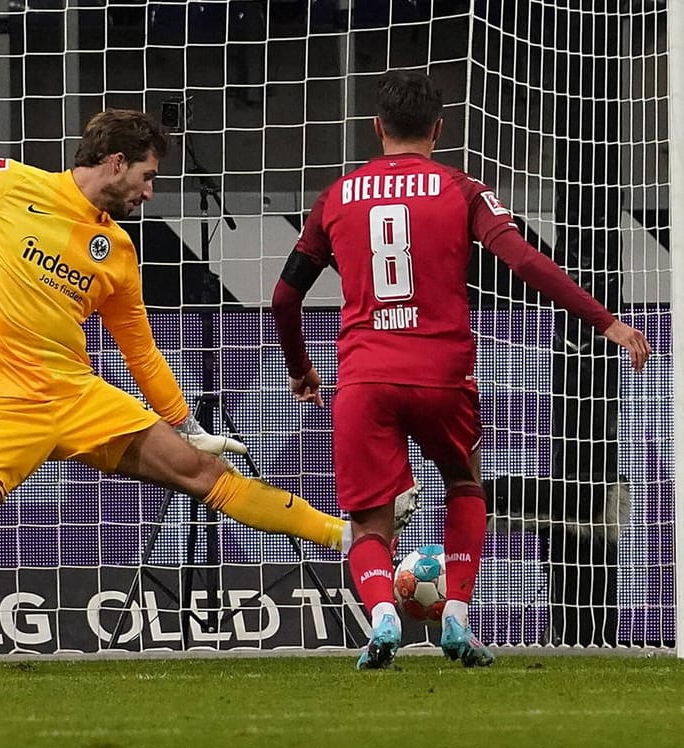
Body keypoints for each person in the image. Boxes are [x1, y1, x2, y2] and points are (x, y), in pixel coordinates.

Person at [0, 109, 402, 653]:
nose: (149, 191)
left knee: (204, 477)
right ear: (115, 162)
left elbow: (138, 349)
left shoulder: (118, 249)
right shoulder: (7, 182)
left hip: (78, 397)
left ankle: (346, 537)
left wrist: (187, 425)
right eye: (145, 175)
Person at [271, 70, 652, 671]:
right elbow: (526, 261)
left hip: (365, 377)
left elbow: (284, 300)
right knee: (464, 484)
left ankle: (383, 617)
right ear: (439, 129)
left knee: (368, 519)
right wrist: (606, 321)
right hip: (443, 375)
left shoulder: (337, 197)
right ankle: (455, 614)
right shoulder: (461, 189)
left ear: (377, 127)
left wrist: (301, 369)